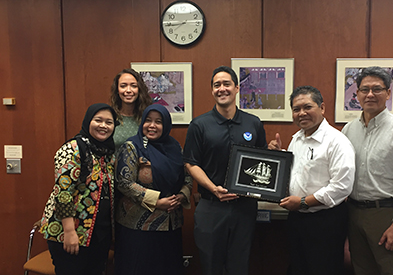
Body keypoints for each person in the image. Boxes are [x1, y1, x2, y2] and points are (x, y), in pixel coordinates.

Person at [183, 66, 267, 275]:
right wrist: (213, 188)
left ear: (237, 88)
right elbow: (191, 163)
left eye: (226, 84)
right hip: (211, 207)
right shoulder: (199, 125)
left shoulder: (253, 123)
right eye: (217, 85)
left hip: (244, 208)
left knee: (239, 265)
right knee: (210, 265)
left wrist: (272, 155)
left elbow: (263, 160)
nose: (222, 89)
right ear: (212, 90)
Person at [268, 85, 356, 275]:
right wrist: (280, 157)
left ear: (322, 108)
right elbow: (299, 170)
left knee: (324, 268)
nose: (302, 113)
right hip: (298, 218)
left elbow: (341, 187)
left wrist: (302, 202)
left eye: (307, 107)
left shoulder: (337, 141)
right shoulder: (297, 139)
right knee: (299, 267)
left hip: (325, 221)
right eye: (296, 109)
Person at [341, 66, 393, 275]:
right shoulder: (348, 130)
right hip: (354, 213)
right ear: (356, 93)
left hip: (386, 215)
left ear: (388, 93)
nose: (370, 95)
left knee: (392, 270)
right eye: (364, 89)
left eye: (377, 89)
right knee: (361, 269)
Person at [40, 103, 118, 275]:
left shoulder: (108, 153)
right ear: (88, 121)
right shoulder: (73, 148)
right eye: (98, 120)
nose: (103, 126)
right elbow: (63, 193)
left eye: (109, 122)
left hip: (99, 233)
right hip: (69, 233)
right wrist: (69, 232)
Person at [114, 104, 191, 275]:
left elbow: (187, 176)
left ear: (166, 125)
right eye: (148, 120)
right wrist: (156, 201)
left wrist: (181, 196)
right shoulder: (132, 147)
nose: (152, 125)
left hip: (170, 225)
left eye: (158, 122)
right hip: (138, 228)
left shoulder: (175, 147)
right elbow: (124, 182)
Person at [110, 68, 152, 151]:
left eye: (133, 86)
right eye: (123, 86)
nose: (128, 90)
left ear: (139, 89)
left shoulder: (148, 118)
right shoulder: (110, 117)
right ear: (117, 90)